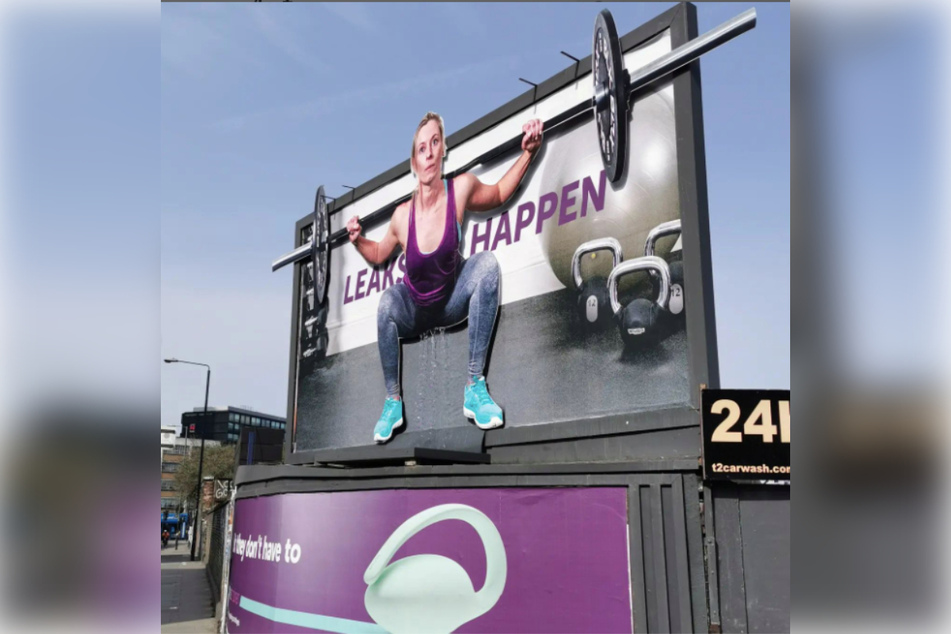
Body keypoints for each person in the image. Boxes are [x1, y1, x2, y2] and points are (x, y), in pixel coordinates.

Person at [347, 112, 544, 444]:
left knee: (486, 266)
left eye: (434, 143)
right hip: (415, 311)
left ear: (442, 151)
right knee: (386, 305)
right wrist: (357, 240)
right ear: (414, 160)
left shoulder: (461, 189)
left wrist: (528, 153)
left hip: (452, 300)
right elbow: (380, 253)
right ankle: (393, 402)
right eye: (421, 147)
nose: (428, 152)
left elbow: (497, 194)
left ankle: (474, 387)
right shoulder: (402, 216)